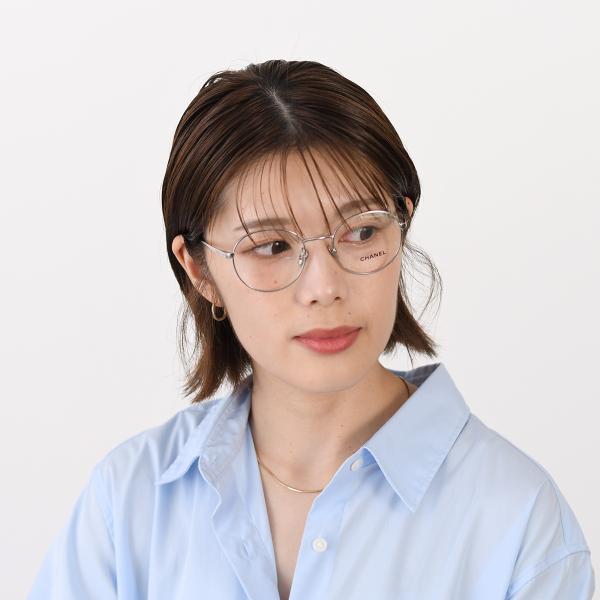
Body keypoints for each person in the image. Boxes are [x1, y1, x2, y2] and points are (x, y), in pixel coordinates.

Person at [29, 59, 595, 600]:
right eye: (272, 246)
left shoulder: (517, 520)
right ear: (199, 270)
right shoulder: (129, 500)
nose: (325, 286)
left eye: (361, 233)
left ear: (401, 227)